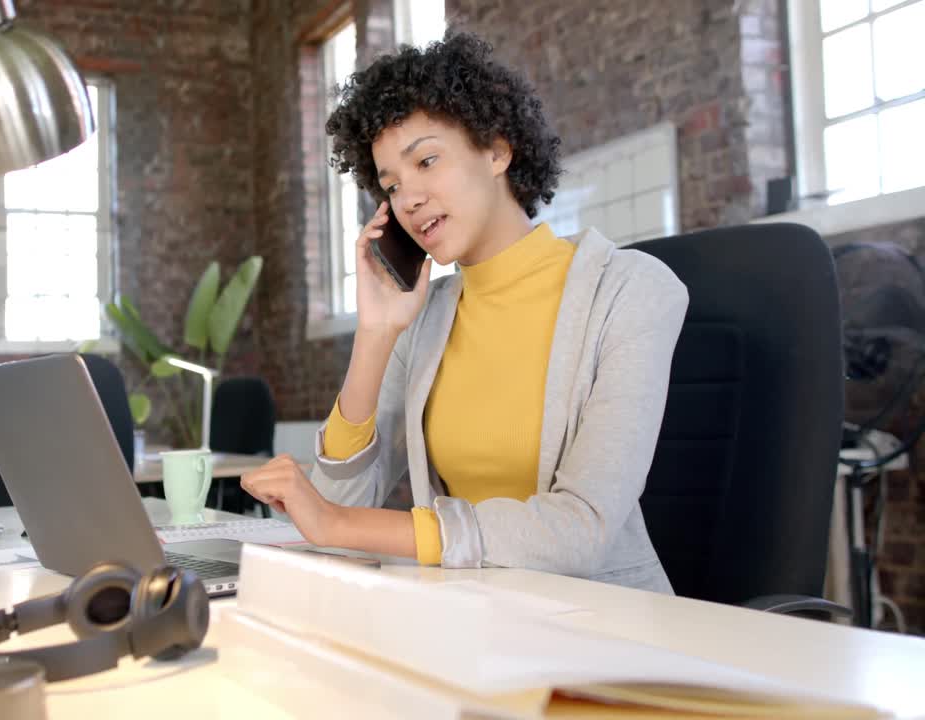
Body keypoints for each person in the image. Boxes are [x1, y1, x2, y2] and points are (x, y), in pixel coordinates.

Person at [240, 32, 688, 593]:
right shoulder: (428, 318)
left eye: (427, 160)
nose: (409, 198)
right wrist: (377, 334)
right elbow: (334, 509)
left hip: (606, 631)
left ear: (497, 150)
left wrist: (342, 523)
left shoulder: (631, 291)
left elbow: (581, 529)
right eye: (392, 185)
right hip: (472, 621)